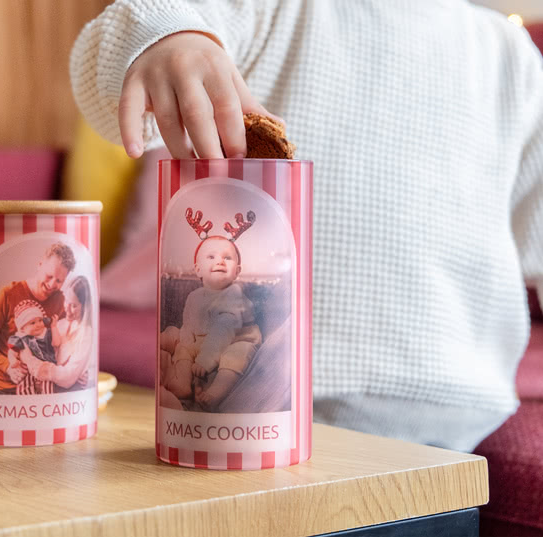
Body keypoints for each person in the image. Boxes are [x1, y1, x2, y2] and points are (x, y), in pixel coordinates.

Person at [70, 1, 543, 450]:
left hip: (462, 412)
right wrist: (169, 39)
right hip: (268, 404)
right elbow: (134, 26)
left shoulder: (511, 54)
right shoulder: (270, 10)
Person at [161, 234, 261, 410]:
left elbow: (223, 331)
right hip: (203, 339)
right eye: (211, 257)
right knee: (181, 345)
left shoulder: (233, 295)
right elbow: (189, 325)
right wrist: (186, 344)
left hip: (236, 339)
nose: (220, 261)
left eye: (227, 258)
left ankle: (216, 394)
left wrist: (205, 361)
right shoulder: (194, 297)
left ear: (237, 271)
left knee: (236, 356)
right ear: (198, 270)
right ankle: (182, 383)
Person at [0, 242, 76, 394]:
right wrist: (7, 366)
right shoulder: (7, 294)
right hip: (4, 386)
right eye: (49, 276)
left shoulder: (61, 301)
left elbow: (64, 342)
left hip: (43, 386)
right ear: (40, 264)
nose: (51, 284)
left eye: (59, 281)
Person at [18, 276, 95, 392]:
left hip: (66, 392)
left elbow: (68, 377)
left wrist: (33, 363)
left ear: (85, 307)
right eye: (66, 302)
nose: (67, 309)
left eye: (74, 305)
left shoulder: (86, 333)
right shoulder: (61, 324)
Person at [7, 300, 62, 394]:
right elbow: (11, 352)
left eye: (40, 320)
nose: (38, 324)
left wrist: (54, 327)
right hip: (28, 370)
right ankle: (27, 402)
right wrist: (13, 361)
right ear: (22, 328)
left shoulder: (47, 333)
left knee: (48, 387)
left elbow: (57, 343)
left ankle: (47, 402)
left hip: (46, 367)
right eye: (32, 323)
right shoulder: (20, 338)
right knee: (24, 387)